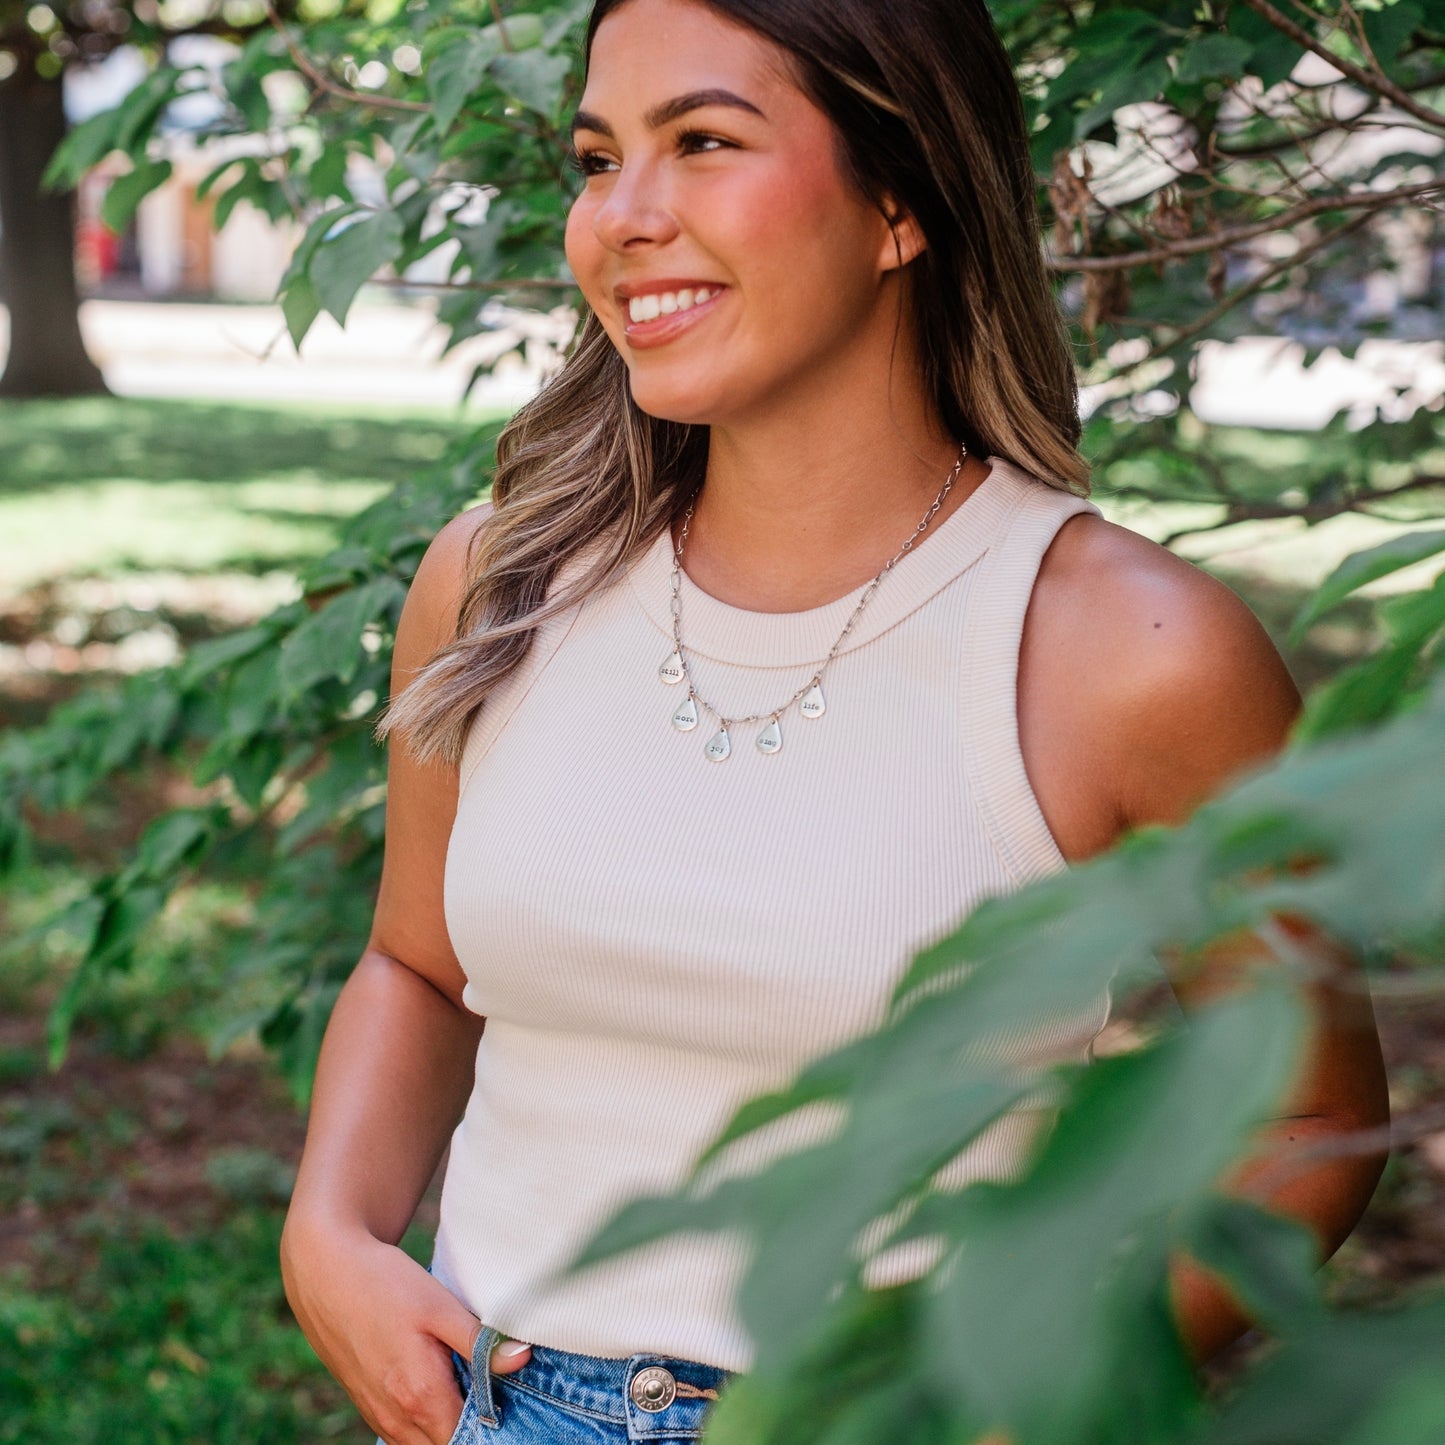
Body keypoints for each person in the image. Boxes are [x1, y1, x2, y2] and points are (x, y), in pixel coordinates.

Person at [279, 0, 1391, 1441]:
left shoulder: (1132, 652)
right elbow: (416, 965)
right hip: (486, 1402)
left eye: (703, 141)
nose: (622, 215)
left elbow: (1305, 1124)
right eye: (596, 155)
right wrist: (333, 1235)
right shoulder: (500, 577)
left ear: (898, 199)